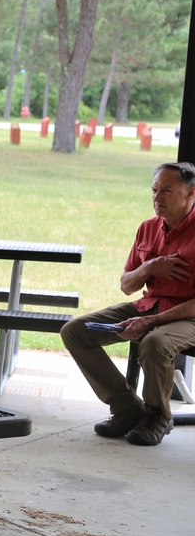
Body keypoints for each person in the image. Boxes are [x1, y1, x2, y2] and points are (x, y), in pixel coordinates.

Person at [61, 162, 195, 446]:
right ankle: (128, 408)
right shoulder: (148, 228)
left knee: (154, 344)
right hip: (149, 305)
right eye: (154, 190)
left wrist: (151, 321)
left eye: (167, 191)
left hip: (188, 314)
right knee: (75, 331)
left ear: (191, 193)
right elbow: (126, 285)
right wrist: (150, 268)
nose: (157, 197)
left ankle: (158, 415)